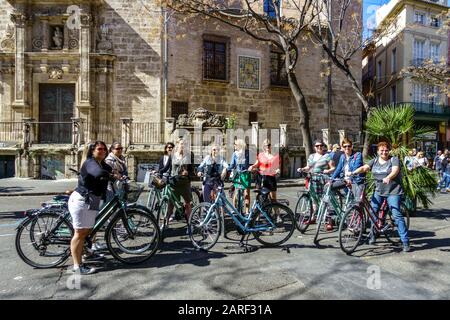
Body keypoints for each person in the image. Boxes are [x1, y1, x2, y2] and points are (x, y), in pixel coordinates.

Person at [351, 141, 410, 252]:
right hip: (379, 191)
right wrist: (353, 172)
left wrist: (389, 177)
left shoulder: (393, 159)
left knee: (396, 214)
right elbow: (364, 168)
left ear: (389, 151)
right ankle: (373, 234)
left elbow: (395, 170)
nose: (384, 152)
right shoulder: (375, 160)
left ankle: (405, 241)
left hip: (393, 191)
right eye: (381, 150)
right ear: (378, 151)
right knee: (372, 211)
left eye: (386, 150)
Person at [68, 141, 115, 275]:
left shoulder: (101, 162)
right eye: (99, 149)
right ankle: (77, 266)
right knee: (80, 233)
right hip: (82, 200)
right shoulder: (90, 163)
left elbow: (108, 169)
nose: (103, 151)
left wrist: (118, 174)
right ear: (92, 151)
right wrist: (110, 176)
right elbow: (99, 173)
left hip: (92, 200)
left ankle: (86, 253)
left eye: (104, 149)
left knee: (88, 230)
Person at [296, 140, 335, 227]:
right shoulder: (311, 156)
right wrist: (302, 169)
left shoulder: (327, 156)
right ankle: (312, 217)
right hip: (312, 178)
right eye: (317, 146)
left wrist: (328, 170)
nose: (319, 147)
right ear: (314, 147)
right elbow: (308, 167)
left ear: (323, 146)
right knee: (313, 198)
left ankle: (329, 220)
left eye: (321, 145)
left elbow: (333, 168)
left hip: (322, 179)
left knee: (324, 199)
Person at [169, 138, 192, 223]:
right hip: (174, 183)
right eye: (181, 144)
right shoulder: (172, 155)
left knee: (187, 204)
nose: (183, 145)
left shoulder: (189, 155)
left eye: (185, 144)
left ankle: (189, 222)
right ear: (177, 144)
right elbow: (168, 168)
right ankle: (166, 221)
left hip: (184, 183)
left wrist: (188, 173)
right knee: (171, 203)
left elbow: (192, 170)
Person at [227, 139, 251, 213]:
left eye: (235, 144)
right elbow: (232, 165)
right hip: (238, 175)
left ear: (240, 145)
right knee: (236, 192)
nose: (234, 146)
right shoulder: (235, 154)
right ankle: (235, 209)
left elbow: (250, 163)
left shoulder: (247, 153)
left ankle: (247, 211)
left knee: (246, 193)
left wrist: (251, 168)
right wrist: (226, 169)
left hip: (246, 175)